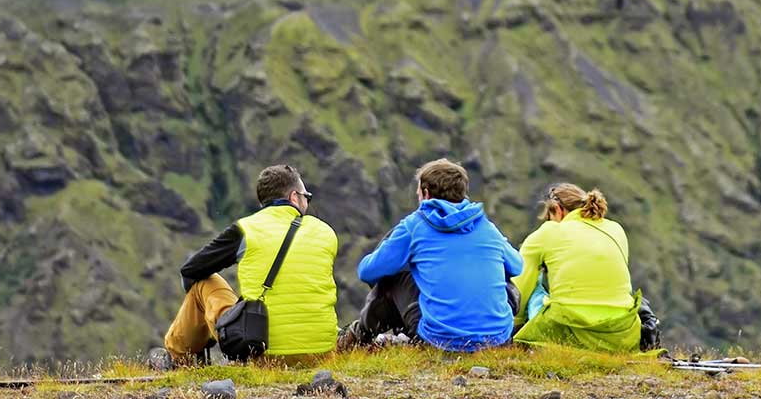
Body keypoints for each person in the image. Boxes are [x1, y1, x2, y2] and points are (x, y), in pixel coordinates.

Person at [150, 164, 338, 368]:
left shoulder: (248, 229)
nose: (306, 202)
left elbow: (190, 270)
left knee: (203, 284)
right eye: (306, 197)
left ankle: (178, 359)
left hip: (263, 357)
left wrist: (221, 319)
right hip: (323, 356)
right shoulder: (326, 232)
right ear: (294, 197)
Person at [340, 158, 523, 352]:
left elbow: (367, 272)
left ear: (425, 194)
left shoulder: (415, 225)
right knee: (506, 280)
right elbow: (516, 266)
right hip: (497, 339)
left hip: (439, 340)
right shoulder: (486, 226)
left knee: (391, 277)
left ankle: (358, 336)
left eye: (418, 193)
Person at [512, 183, 661, 351]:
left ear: (558, 210)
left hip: (568, 333)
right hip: (621, 335)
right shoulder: (616, 229)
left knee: (534, 282)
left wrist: (515, 331)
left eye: (549, 217)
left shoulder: (548, 232)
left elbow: (519, 290)